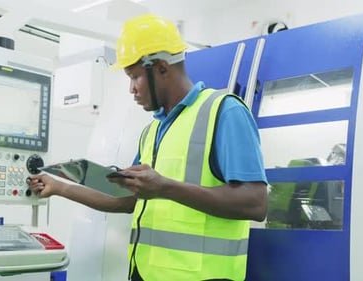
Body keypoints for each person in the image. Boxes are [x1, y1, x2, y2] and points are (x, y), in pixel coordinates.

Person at [27, 13, 268, 281]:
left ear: (162, 68)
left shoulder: (224, 112)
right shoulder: (151, 131)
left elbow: (255, 203)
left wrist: (165, 187)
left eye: (135, 77)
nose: (132, 89)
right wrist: (59, 187)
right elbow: (129, 200)